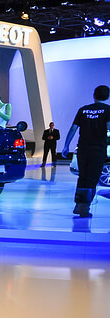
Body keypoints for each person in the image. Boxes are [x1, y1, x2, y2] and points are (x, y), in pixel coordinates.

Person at [61, 85, 110, 218]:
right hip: (98, 149)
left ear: (94, 95)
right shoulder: (108, 110)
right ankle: (84, 208)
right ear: (107, 96)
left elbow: (73, 129)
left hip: (83, 148)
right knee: (92, 179)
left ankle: (78, 205)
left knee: (82, 177)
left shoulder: (83, 110)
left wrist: (66, 146)